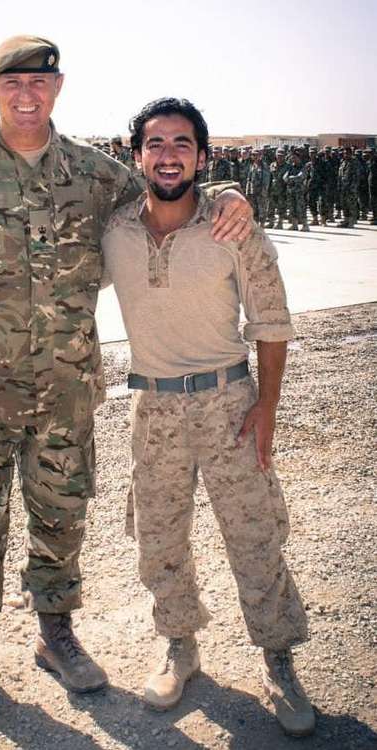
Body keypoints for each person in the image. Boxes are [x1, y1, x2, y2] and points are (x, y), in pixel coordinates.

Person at [0, 36, 252, 723]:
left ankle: (55, 633)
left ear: (57, 87)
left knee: (61, 520)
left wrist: (228, 191)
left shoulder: (95, 176)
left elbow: (170, 196)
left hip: (65, 392)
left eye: (38, 82)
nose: (26, 95)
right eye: (12, 83)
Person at [101, 97, 315, 737]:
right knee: (159, 535)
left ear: (201, 154)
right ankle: (180, 647)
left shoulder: (233, 228)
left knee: (254, 534)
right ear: (136, 154)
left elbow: (272, 323)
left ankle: (279, 661)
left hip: (229, 404)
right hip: (153, 404)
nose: (169, 156)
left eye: (182, 144)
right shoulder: (113, 230)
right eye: (157, 144)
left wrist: (267, 409)